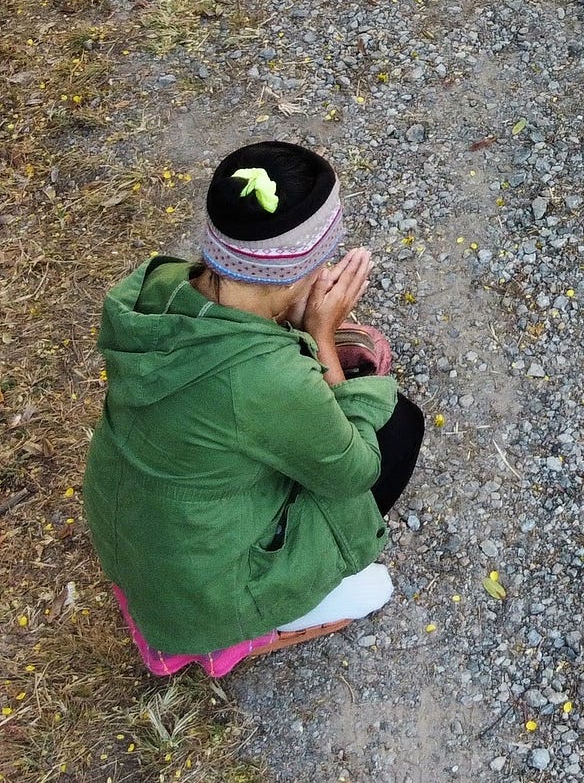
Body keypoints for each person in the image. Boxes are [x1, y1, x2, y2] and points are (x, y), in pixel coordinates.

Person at [83, 141, 424, 675]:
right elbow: (354, 472)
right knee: (398, 428)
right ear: (295, 272)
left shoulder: (160, 284)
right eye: (324, 257)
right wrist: (320, 333)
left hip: (137, 536)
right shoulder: (268, 379)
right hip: (204, 594)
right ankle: (250, 626)